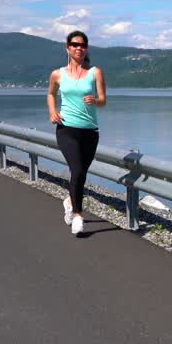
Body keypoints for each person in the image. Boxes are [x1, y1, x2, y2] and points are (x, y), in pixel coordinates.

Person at [47, 30, 106, 235]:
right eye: (74, 44)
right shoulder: (58, 74)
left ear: (86, 48)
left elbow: (103, 100)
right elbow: (51, 94)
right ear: (67, 48)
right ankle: (79, 216)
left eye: (82, 45)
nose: (78, 48)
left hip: (90, 131)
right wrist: (53, 111)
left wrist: (95, 101)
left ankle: (69, 202)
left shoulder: (95, 72)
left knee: (80, 174)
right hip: (67, 129)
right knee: (78, 170)